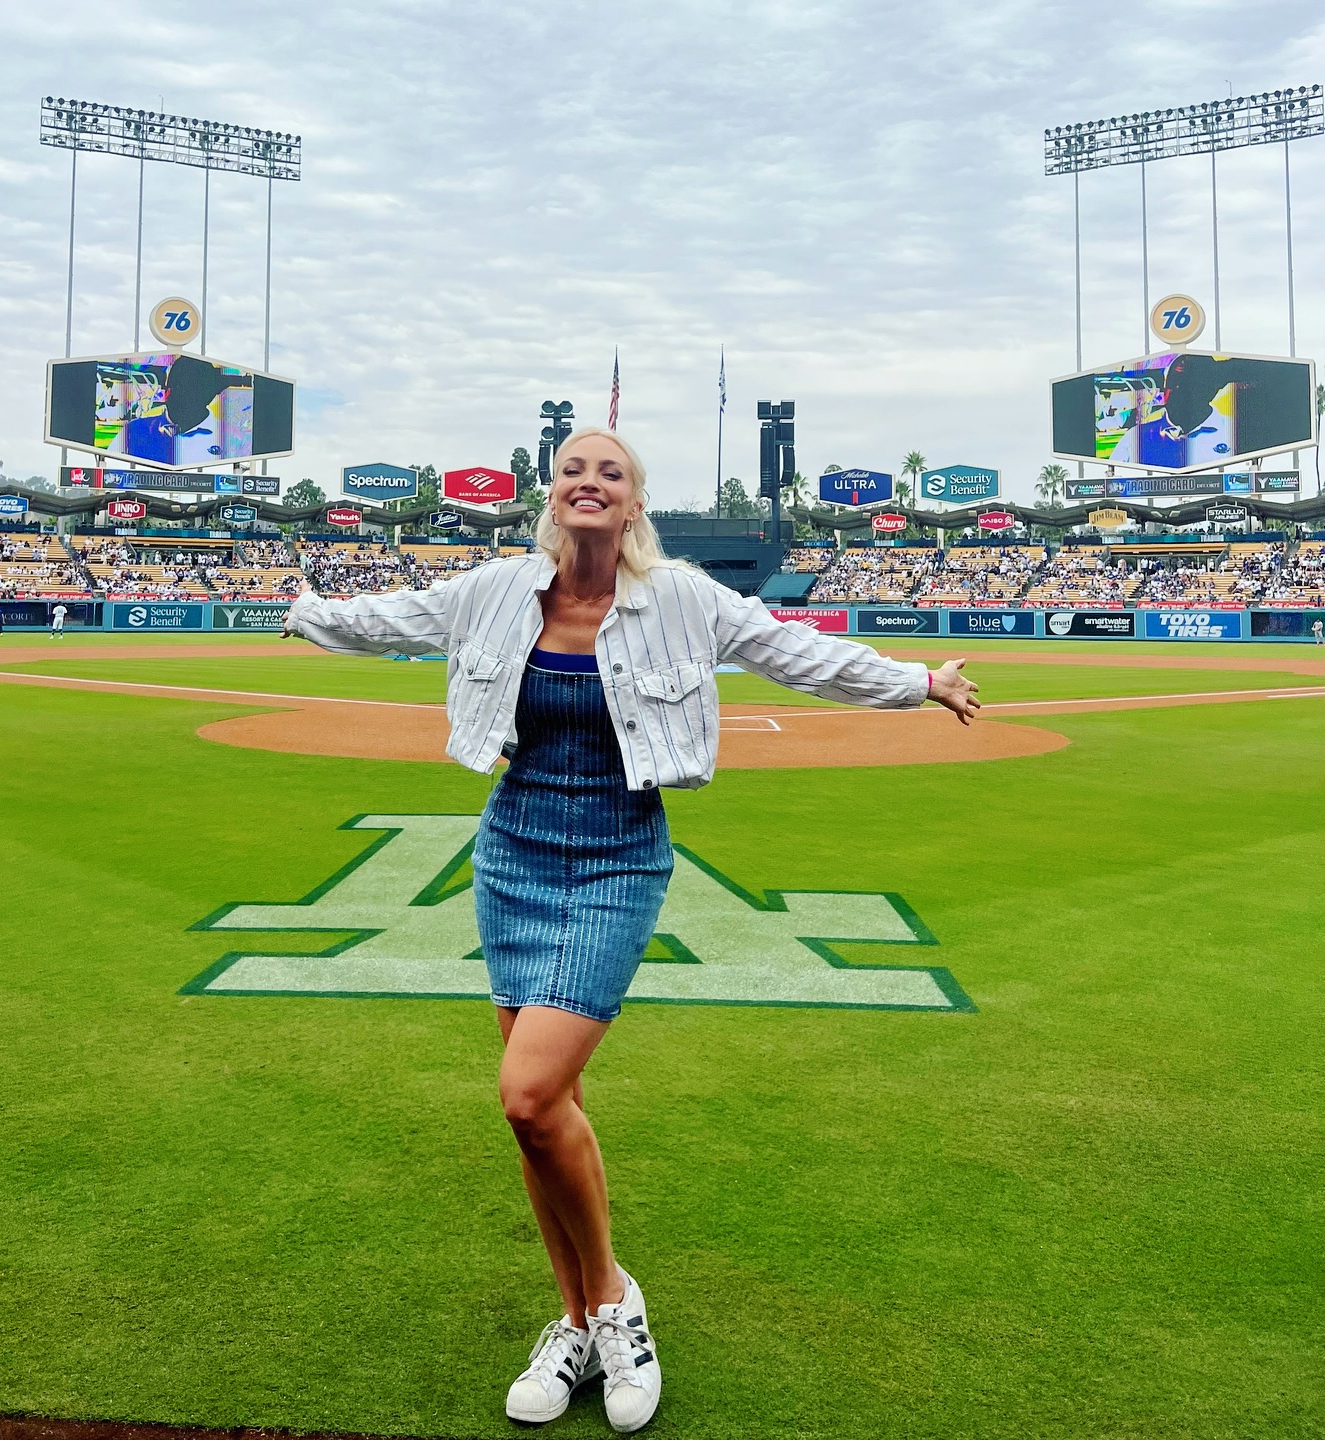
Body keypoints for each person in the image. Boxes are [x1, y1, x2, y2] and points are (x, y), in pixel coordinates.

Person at [282, 429, 979, 1432]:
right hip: (512, 851)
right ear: (552, 494)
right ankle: (578, 1325)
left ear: (635, 498)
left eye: (610, 471)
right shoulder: (494, 590)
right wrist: (309, 613)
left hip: (618, 857)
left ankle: (612, 1299)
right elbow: (396, 615)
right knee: (543, 1112)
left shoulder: (684, 599)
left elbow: (797, 652)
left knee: (526, 1092)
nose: (589, 481)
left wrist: (915, 682)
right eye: (573, 469)